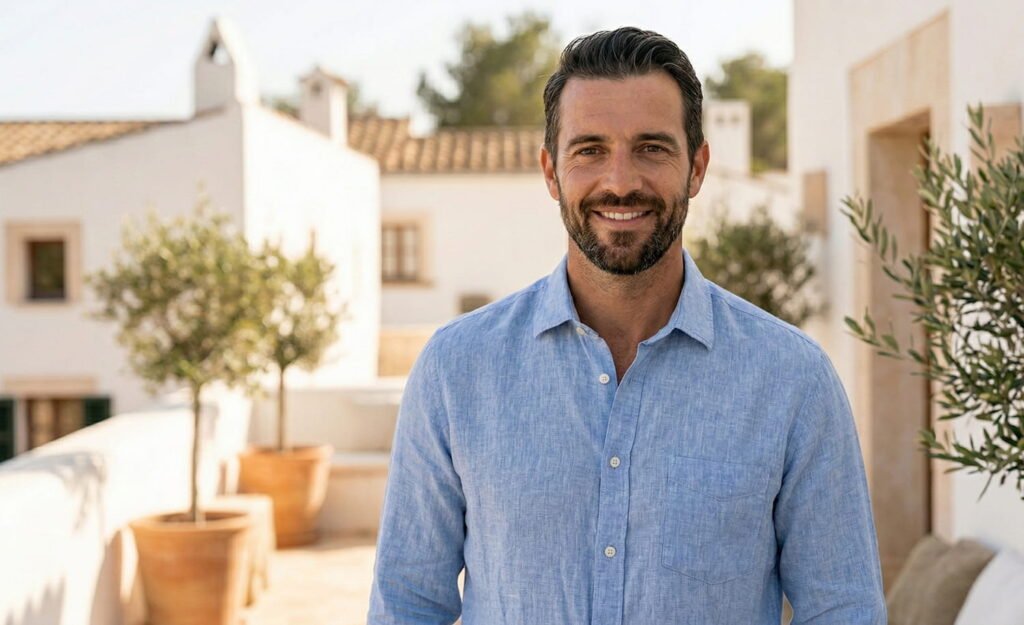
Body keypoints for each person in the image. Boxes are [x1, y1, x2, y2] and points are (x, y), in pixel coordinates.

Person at [368, 27, 886, 625]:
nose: (620, 181)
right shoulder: (456, 371)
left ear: (696, 167)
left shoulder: (793, 380)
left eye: (651, 148)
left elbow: (844, 610)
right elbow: (406, 606)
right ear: (550, 172)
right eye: (589, 149)